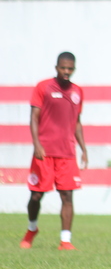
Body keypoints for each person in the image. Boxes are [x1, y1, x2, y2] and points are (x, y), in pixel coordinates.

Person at [20, 52, 88, 250]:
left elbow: (77, 122)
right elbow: (34, 117)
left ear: (74, 69)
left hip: (67, 153)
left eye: (70, 69)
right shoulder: (43, 87)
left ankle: (65, 241)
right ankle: (32, 229)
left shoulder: (78, 92)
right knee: (36, 196)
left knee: (67, 196)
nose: (66, 72)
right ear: (56, 67)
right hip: (44, 152)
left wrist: (83, 148)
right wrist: (37, 144)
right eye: (63, 68)